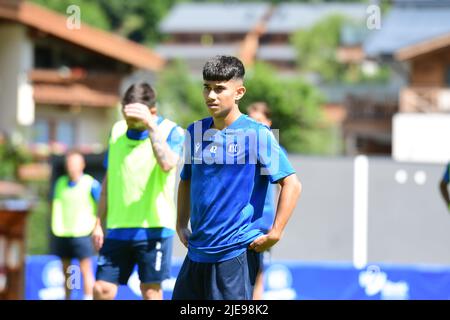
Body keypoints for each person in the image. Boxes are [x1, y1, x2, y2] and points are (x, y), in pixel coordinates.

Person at [172, 55, 302, 300]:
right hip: (197, 252)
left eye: (220, 89)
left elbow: (292, 184)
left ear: (239, 92)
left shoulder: (257, 134)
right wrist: (180, 224)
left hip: (235, 253)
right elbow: (186, 180)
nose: (211, 96)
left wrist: (276, 232)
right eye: (207, 88)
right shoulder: (195, 131)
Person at [91, 83, 184, 300]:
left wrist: (151, 127)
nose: (131, 124)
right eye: (128, 118)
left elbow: (168, 163)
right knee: (101, 289)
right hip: (117, 227)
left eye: (136, 119)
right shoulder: (116, 130)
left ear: (153, 111)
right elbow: (109, 179)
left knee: (150, 292)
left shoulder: (172, 131)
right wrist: (98, 222)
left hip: (154, 229)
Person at [51, 150, 101, 300]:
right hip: (63, 232)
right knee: (68, 271)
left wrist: (97, 227)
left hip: (83, 233)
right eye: (69, 164)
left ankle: (88, 297)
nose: (71, 167)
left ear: (82, 165)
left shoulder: (91, 183)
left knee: (85, 269)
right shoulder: (60, 183)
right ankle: (68, 297)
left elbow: (101, 206)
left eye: (74, 163)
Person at [246, 101, 279, 300]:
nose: (255, 126)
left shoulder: (271, 149)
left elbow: (291, 185)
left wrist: (276, 229)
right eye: (251, 121)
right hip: (240, 222)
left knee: (258, 275)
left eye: (259, 121)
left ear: (268, 122)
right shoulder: (241, 148)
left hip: (261, 224)